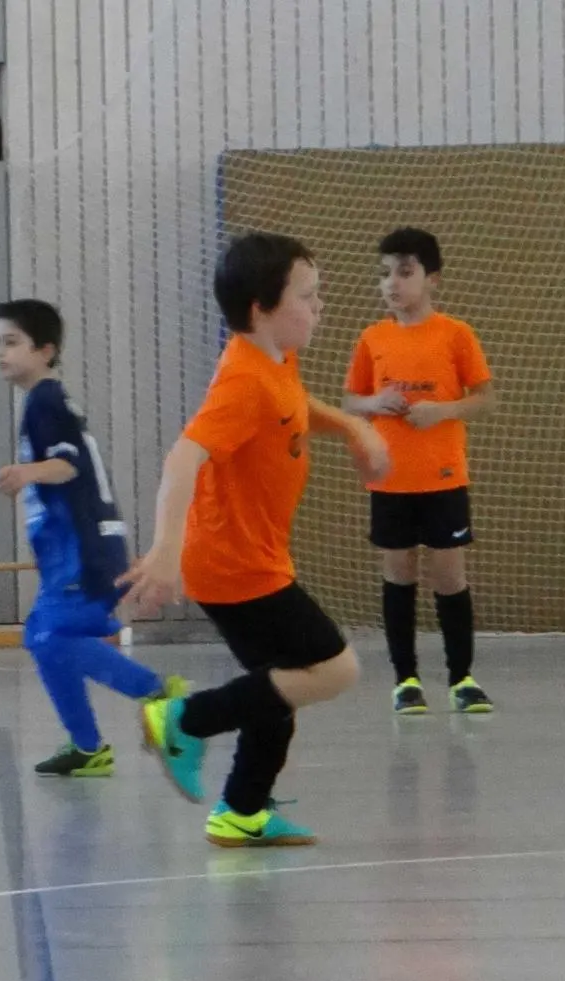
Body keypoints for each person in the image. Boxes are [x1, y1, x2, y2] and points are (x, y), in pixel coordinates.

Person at [120, 232, 389, 847]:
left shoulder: (275, 361)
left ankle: (242, 811)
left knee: (276, 689)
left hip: (249, 558)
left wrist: (352, 426)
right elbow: (184, 457)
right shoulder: (242, 380)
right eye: (308, 296)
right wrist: (165, 550)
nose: (320, 307)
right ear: (262, 308)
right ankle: (184, 718)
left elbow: (294, 407)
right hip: (234, 566)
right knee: (334, 669)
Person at [0, 298, 178, 776]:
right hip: (71, 551)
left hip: (83, 550)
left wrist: (26, 472)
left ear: (46, 350)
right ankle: (88, 746)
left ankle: (160, 694)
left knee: (50, 638)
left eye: (11, 342)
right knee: (43, 636)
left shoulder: (46, 401)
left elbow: (69, 463)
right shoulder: (45, 400)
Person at [342, 227, 497, 714]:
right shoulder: (372, 338)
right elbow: (350, 400)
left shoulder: (456, 334)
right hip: (390, 479)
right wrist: (375, 402)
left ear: (433, 279)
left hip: (444, 477)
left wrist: (441, 411)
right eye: (385, 273)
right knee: (399, 573)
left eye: (405, 272)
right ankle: (405, 679)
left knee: (449, 576)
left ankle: (462, 678)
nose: (392, 283)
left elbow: (485, 398)